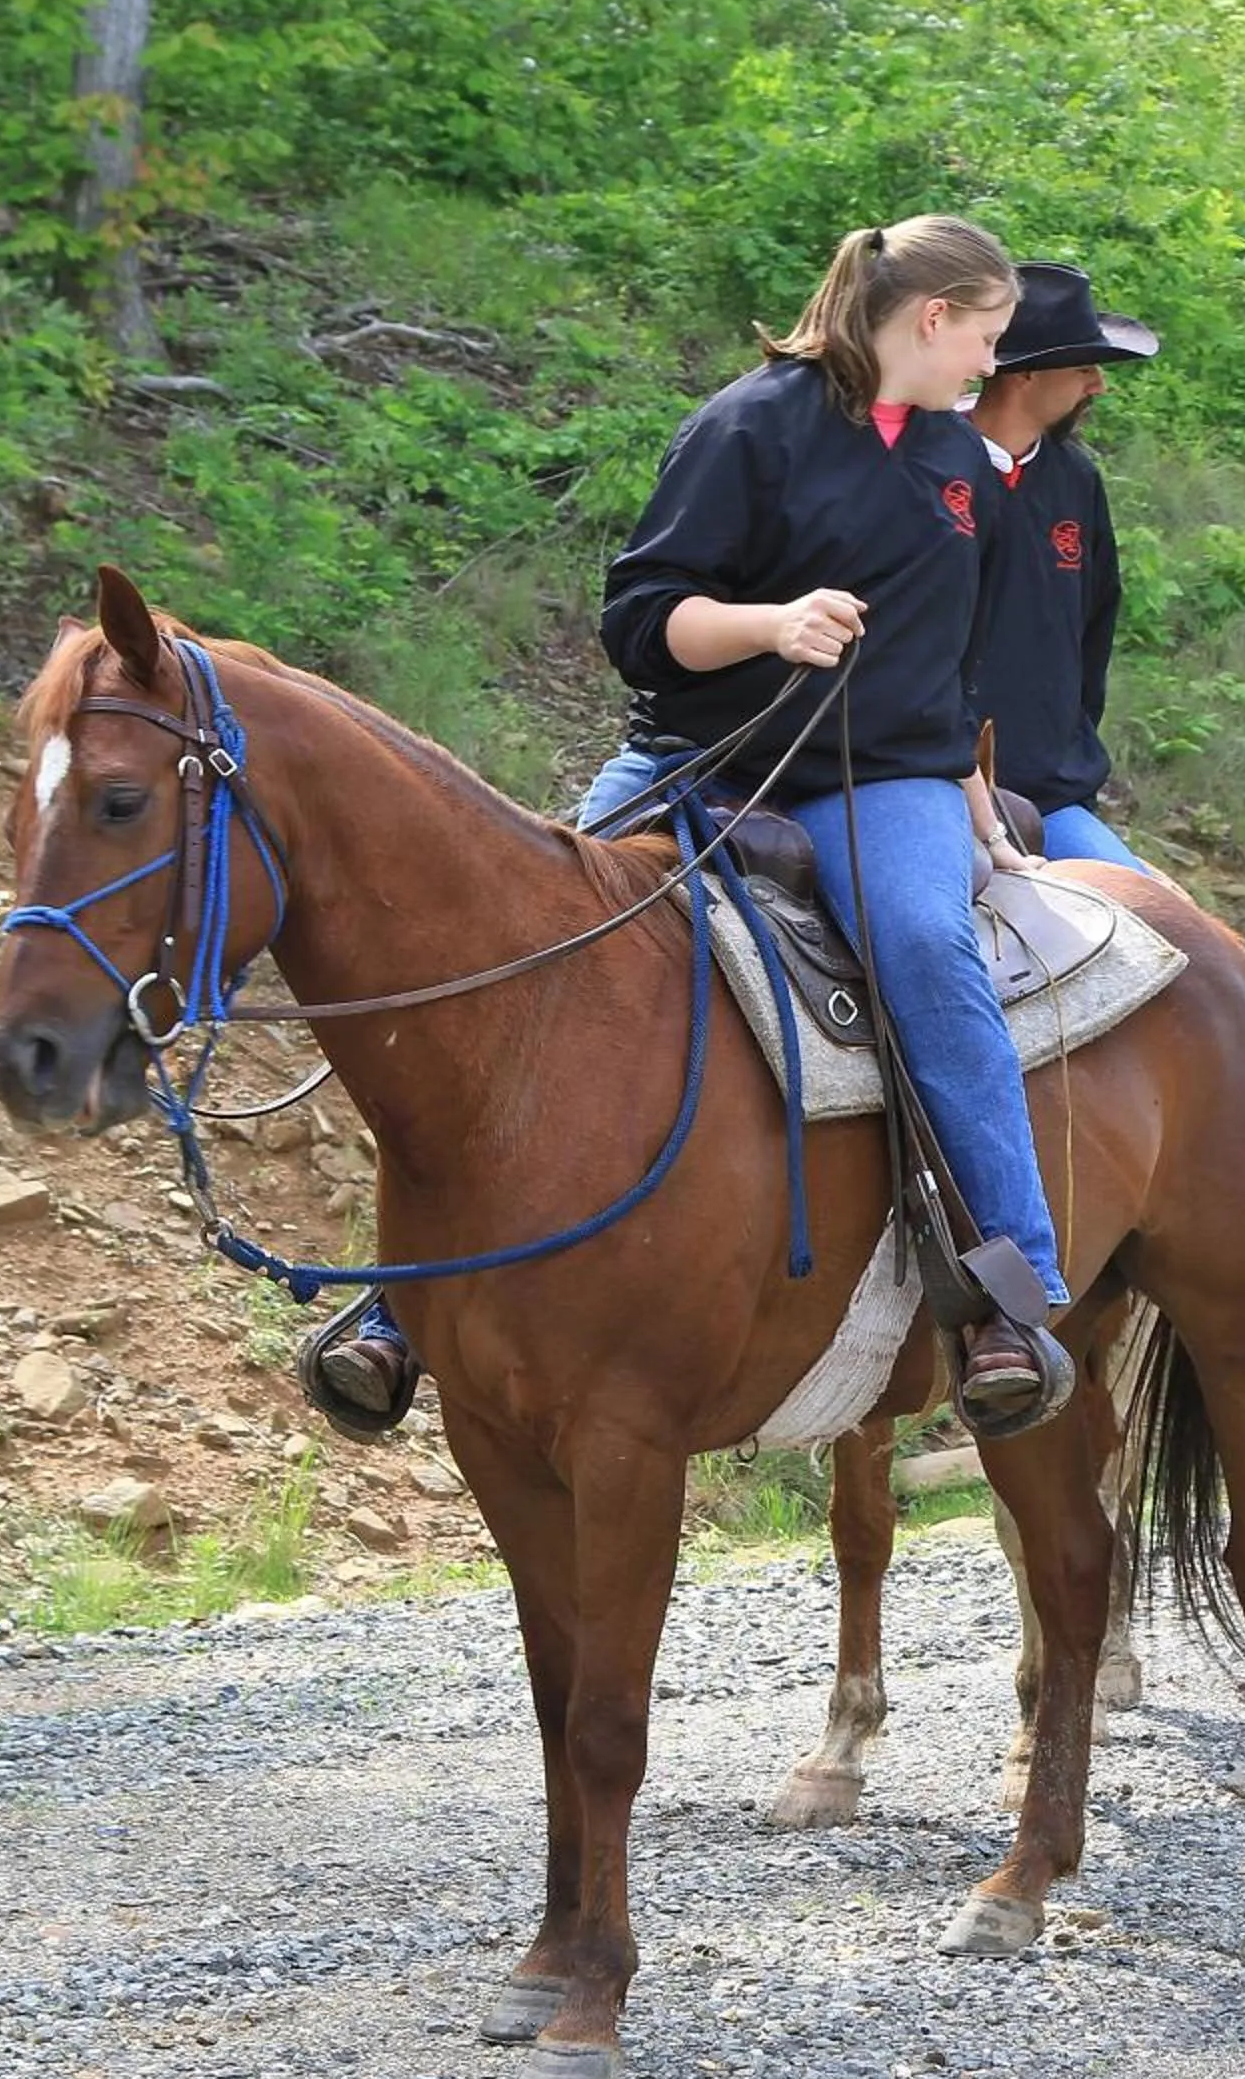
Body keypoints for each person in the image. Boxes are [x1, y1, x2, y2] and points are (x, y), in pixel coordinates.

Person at [312, 215, 1074, 1437]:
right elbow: (641, 621)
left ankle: (1009, 1294)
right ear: (932, 319)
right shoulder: (747, 427)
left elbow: (957, 666)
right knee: (527, 952)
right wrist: (771, 625)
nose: (993, 365)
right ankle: (404, 1299)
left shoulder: (962, 465)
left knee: (928, 951)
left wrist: (975, 803)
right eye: (986, 338)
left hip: (884, 779)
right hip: (698, 762)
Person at [966, 262, 1158, 870]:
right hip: (935, 785)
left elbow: (1094, 631)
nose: (1099, 385)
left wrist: (1068, 749)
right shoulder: (928, 464)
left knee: (1153, 911)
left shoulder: (1076, 479)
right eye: (1083, 367)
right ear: (1025, 373)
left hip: (1052, 799)